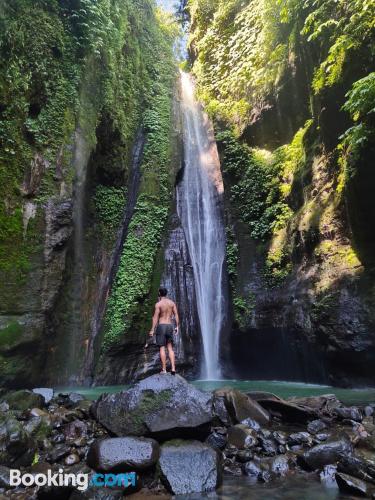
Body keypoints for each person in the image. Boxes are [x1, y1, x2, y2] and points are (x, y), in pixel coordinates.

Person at [149, 287, 179, 374]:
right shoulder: (172, 303)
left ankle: (164, 369)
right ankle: (173, 368)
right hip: (170, 326)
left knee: (162, 348)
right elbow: (176, 315)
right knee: (170, 348)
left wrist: (152, 329)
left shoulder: (158, 304)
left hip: (161, 326)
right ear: (166, 293)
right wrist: (177, 326)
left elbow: (155, 318)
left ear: (159, 293)